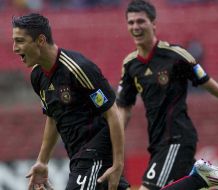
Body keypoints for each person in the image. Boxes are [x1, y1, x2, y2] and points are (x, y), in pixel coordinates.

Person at [116, 0, 218, 190]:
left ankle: (201, 177)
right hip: (157, 142)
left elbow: (213, 87)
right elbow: (124, 109)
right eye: (131, 22)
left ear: (153, 23)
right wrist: (113, 141)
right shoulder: (130, 65)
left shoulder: (176, 56)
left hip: (176, 138)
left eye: (141, 21)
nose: (135, 27)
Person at [12, 13, 130, 190]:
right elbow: (53, 116)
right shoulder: (37, 76)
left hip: (94, 150)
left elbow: (113, 113)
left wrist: (118, 163)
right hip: (76, 154)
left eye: (20, 41)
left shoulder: (78, 68)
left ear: (41, 40)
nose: (14, 48)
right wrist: (42, 162)